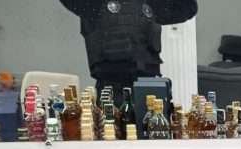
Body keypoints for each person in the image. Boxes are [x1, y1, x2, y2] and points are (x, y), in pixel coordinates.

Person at [61, 0, 198, 103]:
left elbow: (187, 8)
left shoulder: (151, 2)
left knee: (154, 131)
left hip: (148, 87)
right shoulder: (96, 3)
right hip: (111, 87)